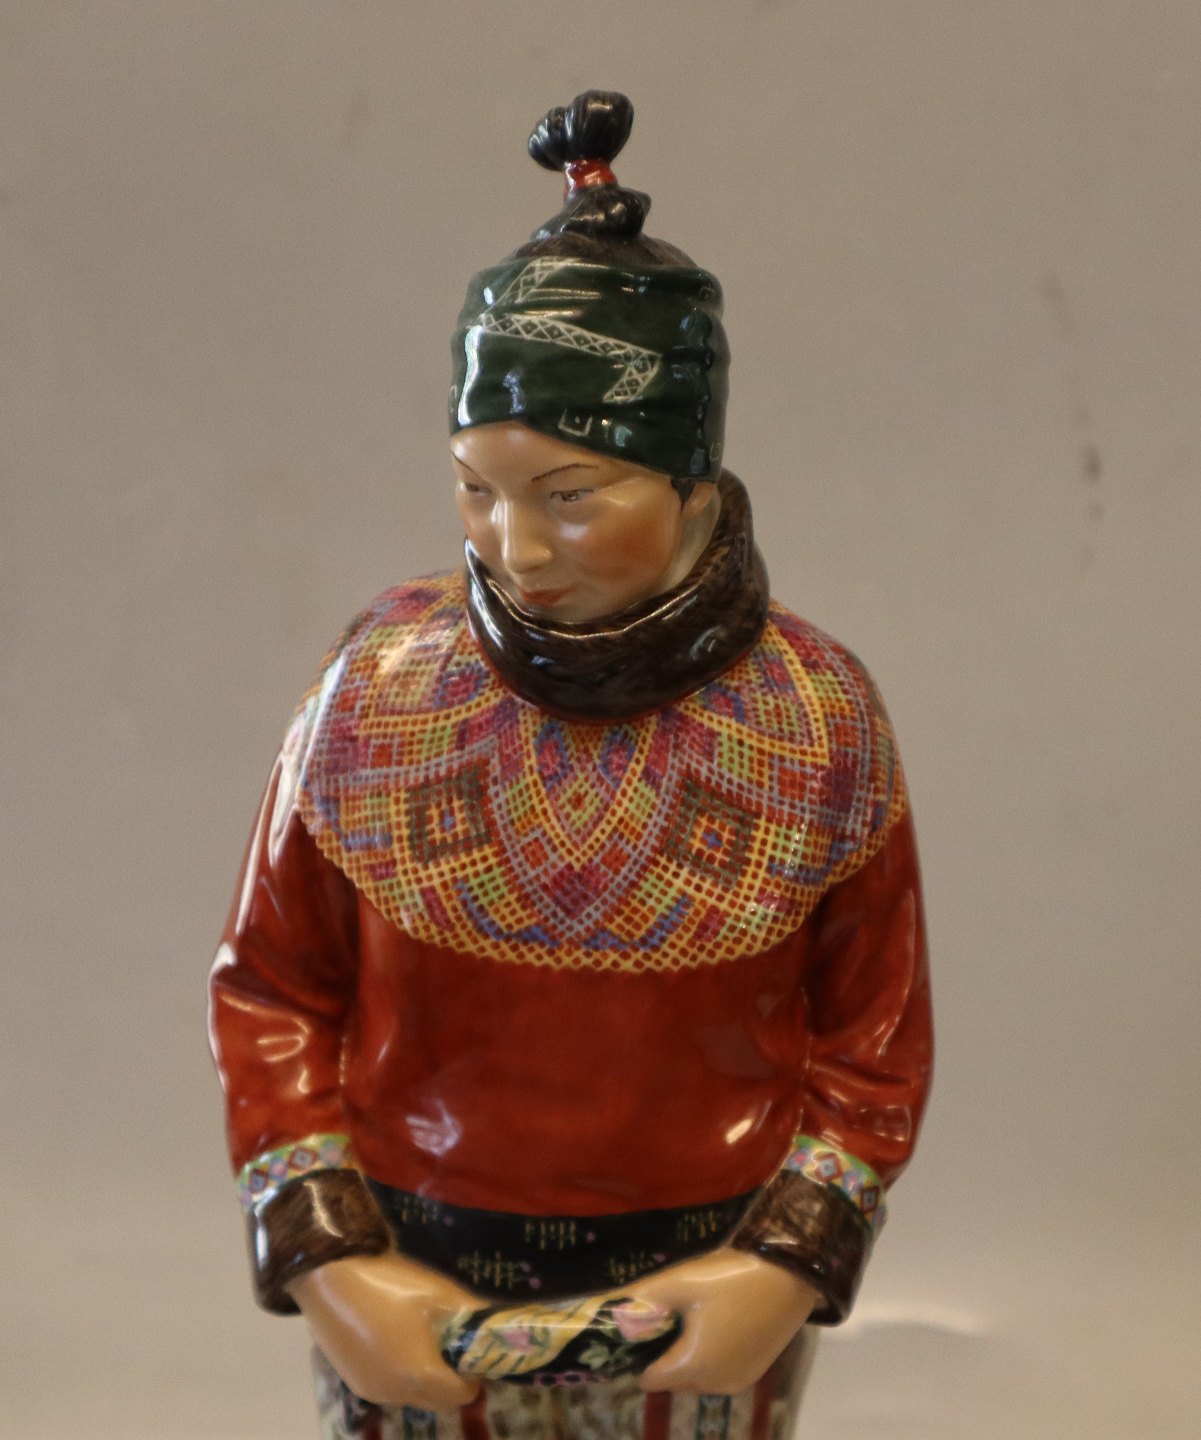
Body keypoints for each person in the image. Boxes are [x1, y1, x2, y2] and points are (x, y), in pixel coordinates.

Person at [210, 90, 933, 1440]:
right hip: (412, 1257)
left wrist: (786, 1264)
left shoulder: (812, 715)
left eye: (571, 496)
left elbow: (870, 1040)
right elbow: (272, 990)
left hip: (712, 1267)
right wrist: (326, 1256)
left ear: (693, 489)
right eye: (475, 489)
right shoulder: (378, 689)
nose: (515, 548)